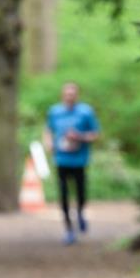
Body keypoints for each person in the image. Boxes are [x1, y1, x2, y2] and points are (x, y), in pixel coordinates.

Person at [44, 82, 100, 245]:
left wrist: (79, 137)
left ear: (77, 95)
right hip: (61, 159)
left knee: (81, 192)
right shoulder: (55, 112)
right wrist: (49, 143)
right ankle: (69, 229)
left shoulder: (86, 112)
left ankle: (81, 213)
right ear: (63, 95)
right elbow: (48, 130)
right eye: (67, 94)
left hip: (80, 160)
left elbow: (95, 134)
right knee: (63, 195)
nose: (69, 97)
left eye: (72, 94)